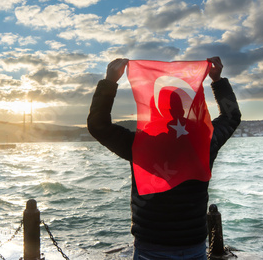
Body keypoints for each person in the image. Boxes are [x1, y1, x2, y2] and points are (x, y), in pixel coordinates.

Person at [87, 57, 241, 260]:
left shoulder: (142, 146)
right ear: (188, 107)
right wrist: (218, 81)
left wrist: (110, 81)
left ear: (156, 109)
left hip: (151, 246)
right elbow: (231, 117)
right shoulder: (205, 143)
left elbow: (98, 125)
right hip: (193, 246)